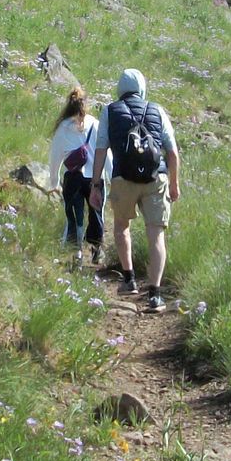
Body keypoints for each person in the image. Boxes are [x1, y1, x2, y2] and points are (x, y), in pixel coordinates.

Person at [90, 68, 181, 312]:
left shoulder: (109, 111)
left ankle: (129, 279)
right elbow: (172, 152)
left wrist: (95, 184)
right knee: (156, 234)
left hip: (123, 178)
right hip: (156, 177)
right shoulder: (157, 110)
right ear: (142, 88)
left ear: (120, 89)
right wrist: (174, 184)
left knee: (121, 227)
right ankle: (155, 294)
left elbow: (100, 149)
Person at [47, 86, 103, 258]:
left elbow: (55, 156)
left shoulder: (63, 127)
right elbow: (104, 151)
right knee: (96, 214)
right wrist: (108, 175)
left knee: (74, 216)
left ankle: (75, 253)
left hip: (72, 177)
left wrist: (54, 181)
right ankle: (96, 250)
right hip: (95, 177)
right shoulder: (95, 124)